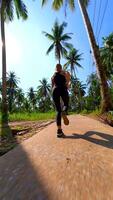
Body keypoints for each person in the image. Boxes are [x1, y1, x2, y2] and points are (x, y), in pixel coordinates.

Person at [51, 64, 71, 138]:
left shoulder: (53, 76)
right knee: (66, 104)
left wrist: (52, 93)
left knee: (58, 111)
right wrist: (67, 83)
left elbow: (52, 85)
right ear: (61, 67)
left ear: (55, 68)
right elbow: (68, 76)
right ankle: (64, 111)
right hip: (63, 88)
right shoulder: (64, 72)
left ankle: (59, 132)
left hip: (55, 90)